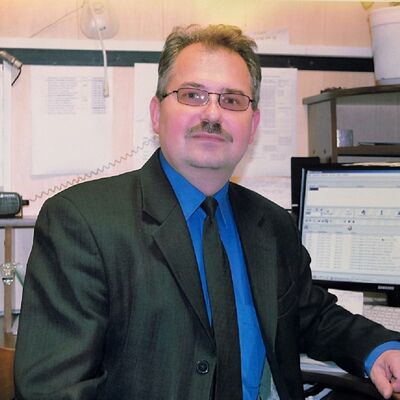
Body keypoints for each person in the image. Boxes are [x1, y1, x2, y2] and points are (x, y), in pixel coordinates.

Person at [14, 24, 400, 400]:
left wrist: (378, 350)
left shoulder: (273, 224)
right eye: (192, 95)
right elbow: (54, 390)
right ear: (156, 114)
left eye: (232, 100)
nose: (212, 114)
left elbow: (309, 315)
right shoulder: (83, 222)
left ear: (253, 125)